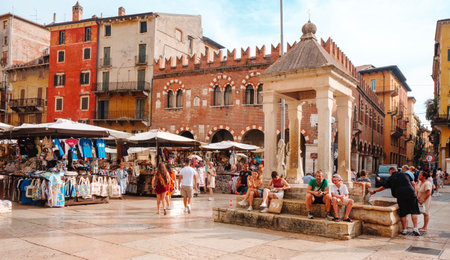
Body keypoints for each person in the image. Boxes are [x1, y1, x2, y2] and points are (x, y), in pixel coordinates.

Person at [370, 167, 421, 236]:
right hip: (411, 194)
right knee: (414, 211)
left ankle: (404, 230)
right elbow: (414, 183)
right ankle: (415, 229)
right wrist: (415, 193)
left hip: (400, 195)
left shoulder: (391, 178)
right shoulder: (405, 174)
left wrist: (374, 191)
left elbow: (383, 187)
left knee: (403, 212)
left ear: (390, 171)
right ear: (396, 170)